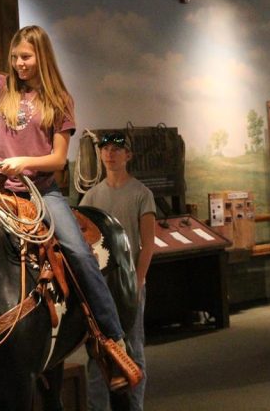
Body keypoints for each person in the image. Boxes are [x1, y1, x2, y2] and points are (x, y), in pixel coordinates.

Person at [0, 0, 141, 389]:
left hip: (40, 193)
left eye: (26, 57)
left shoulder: (58, 100)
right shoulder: (1, 88)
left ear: (41, 57)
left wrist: (25, 162)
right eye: (15, 57)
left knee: (80, 253)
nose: (19, 64)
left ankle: (112, 341)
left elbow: (59, 160)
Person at [79, 131, 156, 411]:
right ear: (100, 154)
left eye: (117, 149)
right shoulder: (90, 197)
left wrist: (137, 282)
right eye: (106, 149)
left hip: (128, 285)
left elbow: (147, 244)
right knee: (97, 350)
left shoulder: (141, 194)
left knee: (133, 347)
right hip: (99, 287)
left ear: (128, 155)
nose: (110, 154)